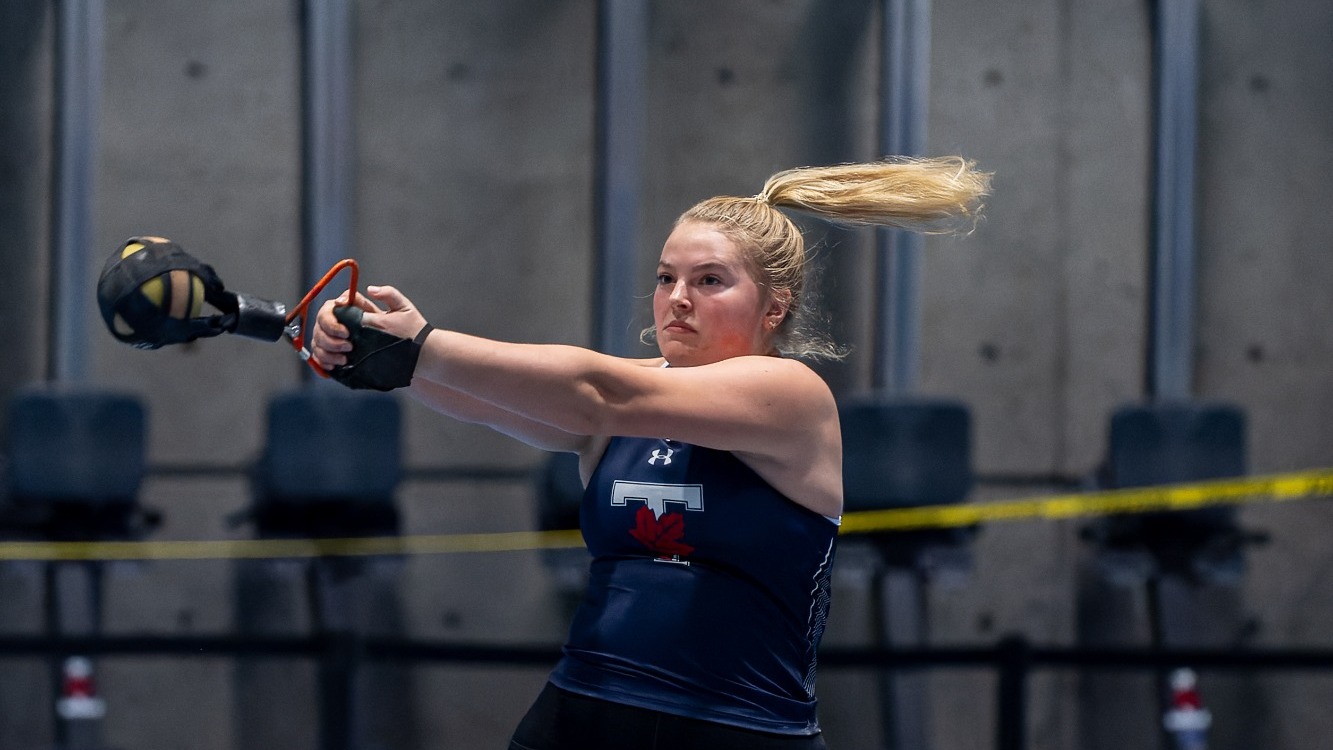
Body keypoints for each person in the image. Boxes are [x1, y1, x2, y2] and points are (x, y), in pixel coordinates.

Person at [310, 156, 990, 749]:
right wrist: (372, 355)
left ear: (774, 307)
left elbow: (596, 393)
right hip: (582, 713)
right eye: (666, 279)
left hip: (739, 729)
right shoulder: (625, 400)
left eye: (709, 281)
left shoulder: (790, 395)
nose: (678, 300)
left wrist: (425, 344)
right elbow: (487, 399)